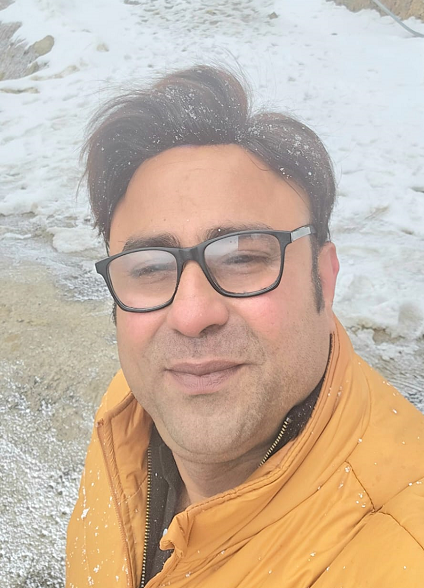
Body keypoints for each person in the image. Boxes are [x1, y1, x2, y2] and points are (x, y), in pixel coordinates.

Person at [66, 65, 424, 588]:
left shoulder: (405, 549)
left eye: (242, 258)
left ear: (324, 278)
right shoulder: (129, 412)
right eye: (149, 267)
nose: (192, 316)